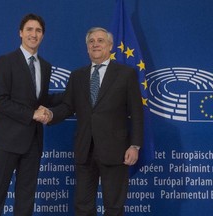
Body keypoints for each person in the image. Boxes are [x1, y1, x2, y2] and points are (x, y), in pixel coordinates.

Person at [38, 27, 144, 216]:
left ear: (110, 46)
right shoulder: (77, 76)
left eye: (100, 40)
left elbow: (136, 113)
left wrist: (135, 145)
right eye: (91, 41)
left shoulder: (126, 74)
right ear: (87, 47)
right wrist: (51, 115)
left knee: (114, 206)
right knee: (83, 206)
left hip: (116, 149)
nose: (95, 44)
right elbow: (67, 106)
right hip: (85, 149)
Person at [0, 13, 60, 216]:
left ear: (43, 35)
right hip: (7, 139)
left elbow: (39, 101)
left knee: (26, 198)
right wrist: (32, 114)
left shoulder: (46, 66)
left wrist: (72, 96)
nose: (34, 34)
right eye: (30, 30)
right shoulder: (6, 61)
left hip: (33, 142)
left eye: (38, 30)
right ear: (20, 33)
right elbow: (0, 100)